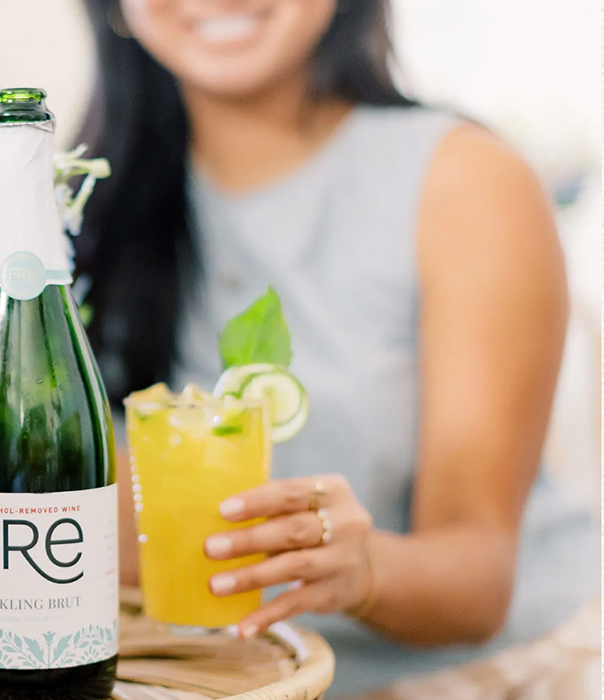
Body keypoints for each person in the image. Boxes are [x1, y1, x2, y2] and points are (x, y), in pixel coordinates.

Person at [72, 1, 601, 698]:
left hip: (490, 671)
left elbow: (479, 579)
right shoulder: (76, 211)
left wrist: (363, 568)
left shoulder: (466, 179)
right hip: (215, 680)